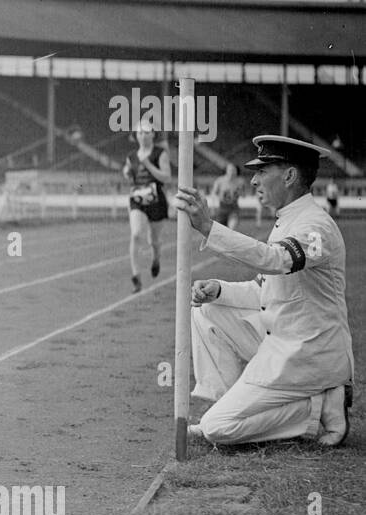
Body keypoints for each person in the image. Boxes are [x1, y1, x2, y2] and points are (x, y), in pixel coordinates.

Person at [175, 135, 353, 447]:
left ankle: (317, 408)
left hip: (310, 352)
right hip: (283, 338)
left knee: (218, 430)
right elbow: (265, 290)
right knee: (207, 311)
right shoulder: (288, 220)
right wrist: (219, 290)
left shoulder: (316, 227)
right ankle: (229, 406)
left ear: (289, 175)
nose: (254, 180)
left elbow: (277, 260)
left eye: (263, 171)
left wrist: (208, 227)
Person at [122, 120, 172, 292]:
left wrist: (148, 164)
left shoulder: (160, 153)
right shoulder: (131, 157)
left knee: (154, 240)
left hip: (156, 201)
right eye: (140, 133)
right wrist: (127, 174)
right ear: (135, 136)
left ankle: (156, 258)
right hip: (137, 200)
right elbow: (129, 175)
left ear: (153, 135)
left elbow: (166, 178)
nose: (143, 136)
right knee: (136, 234)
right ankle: (136, 275)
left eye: (146, 133)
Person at [210, 163, 247, 231]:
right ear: (226, 171)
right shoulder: (220, 180)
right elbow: (213, 194)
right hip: (222, 208)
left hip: (234, 208)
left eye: (234, 170)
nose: (232, 172)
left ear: (236, 171)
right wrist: (213, 207)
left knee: (231, 229)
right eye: (230, 170)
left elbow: (244, 195)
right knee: (221, 231)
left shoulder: (240, 181)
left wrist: (239, 191)